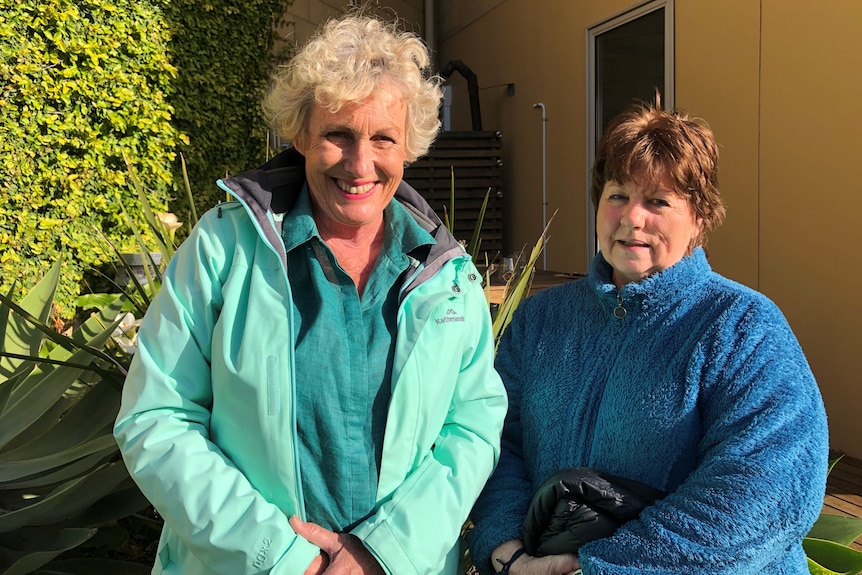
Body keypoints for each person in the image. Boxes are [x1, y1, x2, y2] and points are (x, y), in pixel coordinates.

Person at [114, 12, 507, 575]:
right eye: (338, 135)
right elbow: (157, 415)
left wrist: (382, 553)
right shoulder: (223, 250)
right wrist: (282, 558)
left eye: (383, 139)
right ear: (300, 134)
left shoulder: (448, 275)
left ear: (409, 146)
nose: (360, 164)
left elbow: (471, 427)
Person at [467, 99, 829, 575]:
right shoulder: (541, 320)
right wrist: (508, 547)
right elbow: (496, 443)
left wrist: (595, 567)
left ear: (700, 218)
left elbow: (766, 489)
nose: (632, 217)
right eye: (618, 194)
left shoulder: (742, 327)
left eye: (657, 201)